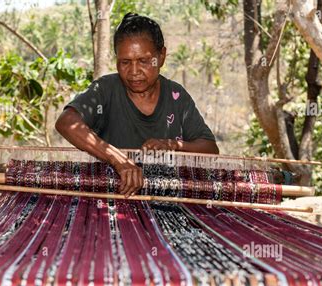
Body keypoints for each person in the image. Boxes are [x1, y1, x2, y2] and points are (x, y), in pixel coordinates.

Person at [55, 12, 219, 198]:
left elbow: (210, 149)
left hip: (165, 204)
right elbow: (66, 122)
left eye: (144, 61)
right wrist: (118, 159)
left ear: (162, 56)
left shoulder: (176, 97)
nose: (134, 72)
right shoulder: (105, 90)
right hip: (111, 200)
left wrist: (172, 145)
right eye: (125, 62)